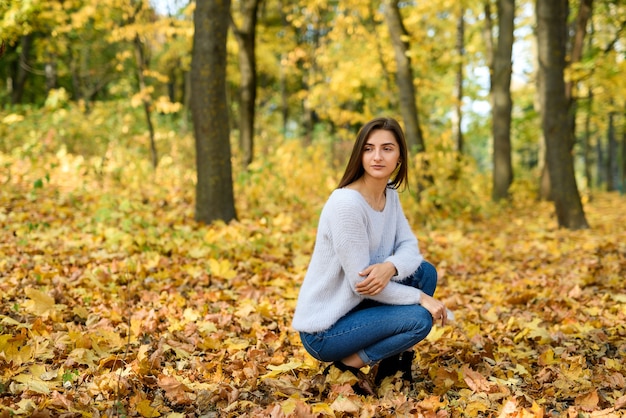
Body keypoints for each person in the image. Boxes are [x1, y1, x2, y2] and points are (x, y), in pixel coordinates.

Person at [292, 117, 449, 396]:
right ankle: (346, 365)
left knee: (426, 272)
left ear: (400, 156)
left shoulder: (390, 195)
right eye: (368, 148)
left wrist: (390, 266)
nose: (377, 156)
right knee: (419, 319)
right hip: (326, 329)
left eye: (387, 148)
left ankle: (393, 366)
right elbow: (362, 284)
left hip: (358, 308)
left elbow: (410, 247)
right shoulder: (346, 204)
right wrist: (420, 298)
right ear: (359, 155)